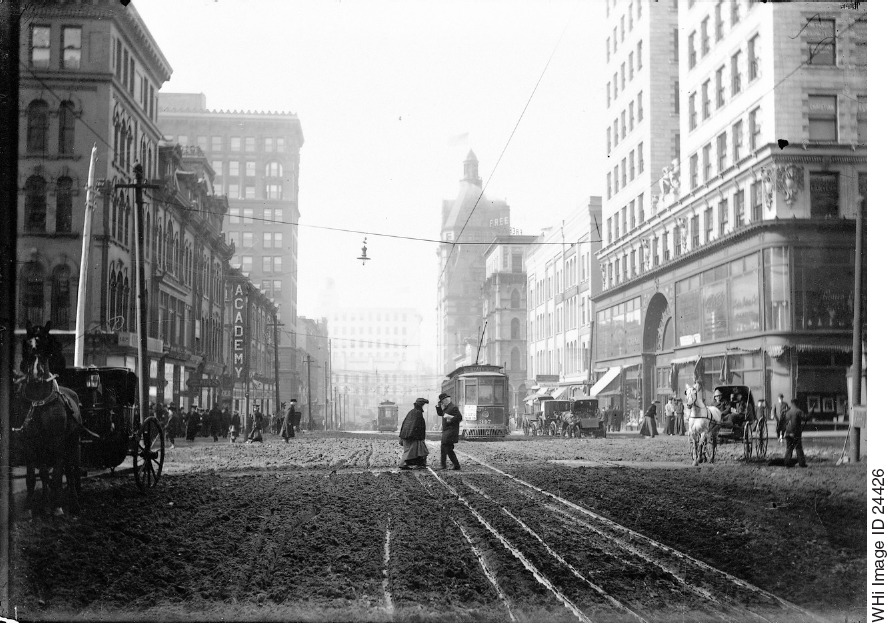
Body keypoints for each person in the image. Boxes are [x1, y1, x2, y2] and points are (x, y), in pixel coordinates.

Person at [398, 398, 430, 469]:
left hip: (407, 435)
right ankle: (404, 464)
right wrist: (421, 437)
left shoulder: (411, 412)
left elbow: (405, 424)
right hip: (413, 437)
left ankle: (418, 464)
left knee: (411, 451)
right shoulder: (418, 413)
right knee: (416, 451)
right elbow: (419, 426)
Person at [435, 392, 462, 470]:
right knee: (444, 448)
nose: (442, 403)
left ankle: (455, 465)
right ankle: (444, 465)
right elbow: (441, 414)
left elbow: (459, 418)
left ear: (445, 400)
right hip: (447, 431)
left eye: (442, 402)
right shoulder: (447, 407)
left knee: (447, 448)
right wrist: (438, 406)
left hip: (451, 431)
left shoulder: (453, 407)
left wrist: (451, 420)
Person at [783, 398, 810, 468]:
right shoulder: (798, 411)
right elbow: (806, 417)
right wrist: (811, 412)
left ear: (791, 404)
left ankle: (787, 463)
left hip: (788, 432)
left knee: (789, 448)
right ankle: (802, 463)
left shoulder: (787, 412)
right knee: (798, 448)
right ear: (797, 404)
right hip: (796, 433)